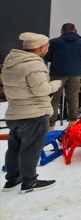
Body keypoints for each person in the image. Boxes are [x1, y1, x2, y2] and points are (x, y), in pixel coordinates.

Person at [2, 32, 62, 193]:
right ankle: (29, 182)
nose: (48, 49)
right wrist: (56, 84)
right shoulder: (34, 64)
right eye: (47, 46)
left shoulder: (11, 62)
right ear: (41, 47)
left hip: (15, 113)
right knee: (31, 149)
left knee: (14, 149)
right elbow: (41, 89)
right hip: (34, 114)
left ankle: (12, 180)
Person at [45, 23, 81, 128]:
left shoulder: (54, 42)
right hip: (75, 74)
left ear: (61, 31)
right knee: (73, 97)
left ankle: (50, 125)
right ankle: (73, 122)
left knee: (54, 98)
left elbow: (48, 57)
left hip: (57, 74)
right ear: (75, 30)